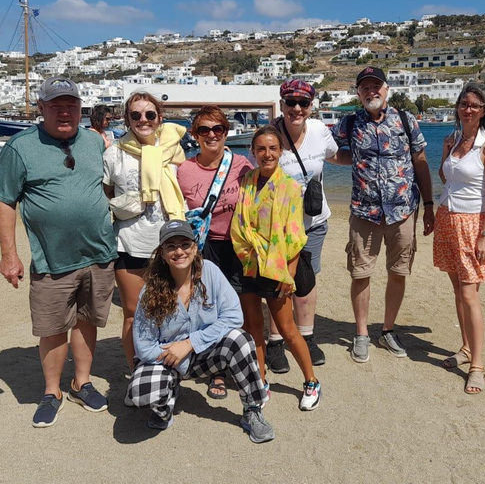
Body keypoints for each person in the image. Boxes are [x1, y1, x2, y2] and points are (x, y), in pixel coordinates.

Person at [0, 77, 117, 427]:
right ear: (41, 108)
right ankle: (51, 391)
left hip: (99, 253)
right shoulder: (20, 148)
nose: (64, 111)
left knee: (87, 321)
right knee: (52, 328)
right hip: (52, 259)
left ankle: (82, 382)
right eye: (55, 105)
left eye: (71, 104)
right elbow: (5, 202)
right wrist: (9, 255)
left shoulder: (95, 143)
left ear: (81, 109)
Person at [127, 220, 274, 443]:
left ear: (195, 248)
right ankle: (166, 402)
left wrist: (189, 344)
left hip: (203, 355)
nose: (179, 251)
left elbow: (234, 316)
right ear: (162, 254)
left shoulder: (211, 272)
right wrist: (176, 357)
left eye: (185, 244)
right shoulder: (150, 290)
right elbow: (144, 347)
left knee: (240, 339)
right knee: (141, 392)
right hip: (165, 360)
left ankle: (252, 410)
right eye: (171, 246)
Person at [330, 66, 434, 364]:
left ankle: (387, 329)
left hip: (402, 211)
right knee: (361, 273)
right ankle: (362, 333)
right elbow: (328, 150)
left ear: (386, 89)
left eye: (376, 86)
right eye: (365, 87)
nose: (371, 91)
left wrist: (429, 205)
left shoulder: (405, 119)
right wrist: (356, 162)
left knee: (398, 272)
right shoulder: (349, 123)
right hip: (364, 212)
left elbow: (421, 160)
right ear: (358, 93)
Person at [231, 125, 322, 411]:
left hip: (276, 265)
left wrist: (290, 274)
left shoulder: (290, 187)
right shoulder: (246, 180)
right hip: (246, 262)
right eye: (261, 149)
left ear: (280, 152)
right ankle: (260, 379)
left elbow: (295, 235)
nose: (267, 154)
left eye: (272, 148)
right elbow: (240, 222)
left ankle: (311, 381)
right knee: (253, 327)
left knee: (286, 327)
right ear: (253, 152)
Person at [264, 79, 349, 374]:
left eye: (303, 103)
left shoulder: (319, 131)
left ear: (311, 106)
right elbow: (257, 173)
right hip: (278, 227)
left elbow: (335, 156)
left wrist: (369, 159)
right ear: (281, 104)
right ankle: (275, 342)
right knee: (278, 282)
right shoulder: (271, 135)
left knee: (306, 280)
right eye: (290, 102)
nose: (296, 108)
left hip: (313, 221)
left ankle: (305, 336)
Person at [103, 91, 187, 372]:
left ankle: (166, 370)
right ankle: (136, 370)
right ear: (127, 119)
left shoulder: (173, 150)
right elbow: (105, 195)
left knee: (170, 312)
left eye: (150, 114)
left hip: (171, 244)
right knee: (132, 313)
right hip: (130, 243)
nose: (143, 120)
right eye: (136, 115)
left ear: (159, 118)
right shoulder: (114, 153)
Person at [178, 105, 253, 399]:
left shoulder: (242, 164)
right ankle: (216, 371)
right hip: (204, 245)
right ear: (195, 134)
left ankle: (244, 359)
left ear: (226, 132)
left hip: (237, 243)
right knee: (208, 307)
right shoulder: (184, 169)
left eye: (218, 129)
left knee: (242, 304)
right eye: (204, 130)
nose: (212, 135)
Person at [434, 83, 485, 395]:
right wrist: (447, 153)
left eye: (475, 105)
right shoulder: (456, 139)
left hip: (472, 225)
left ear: (484, 110)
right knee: (457, 291)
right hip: (447, 219)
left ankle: (477, 365)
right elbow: (444, 176)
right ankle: (464, 348)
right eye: (464, 104)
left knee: (469, 294)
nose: (468, 109)